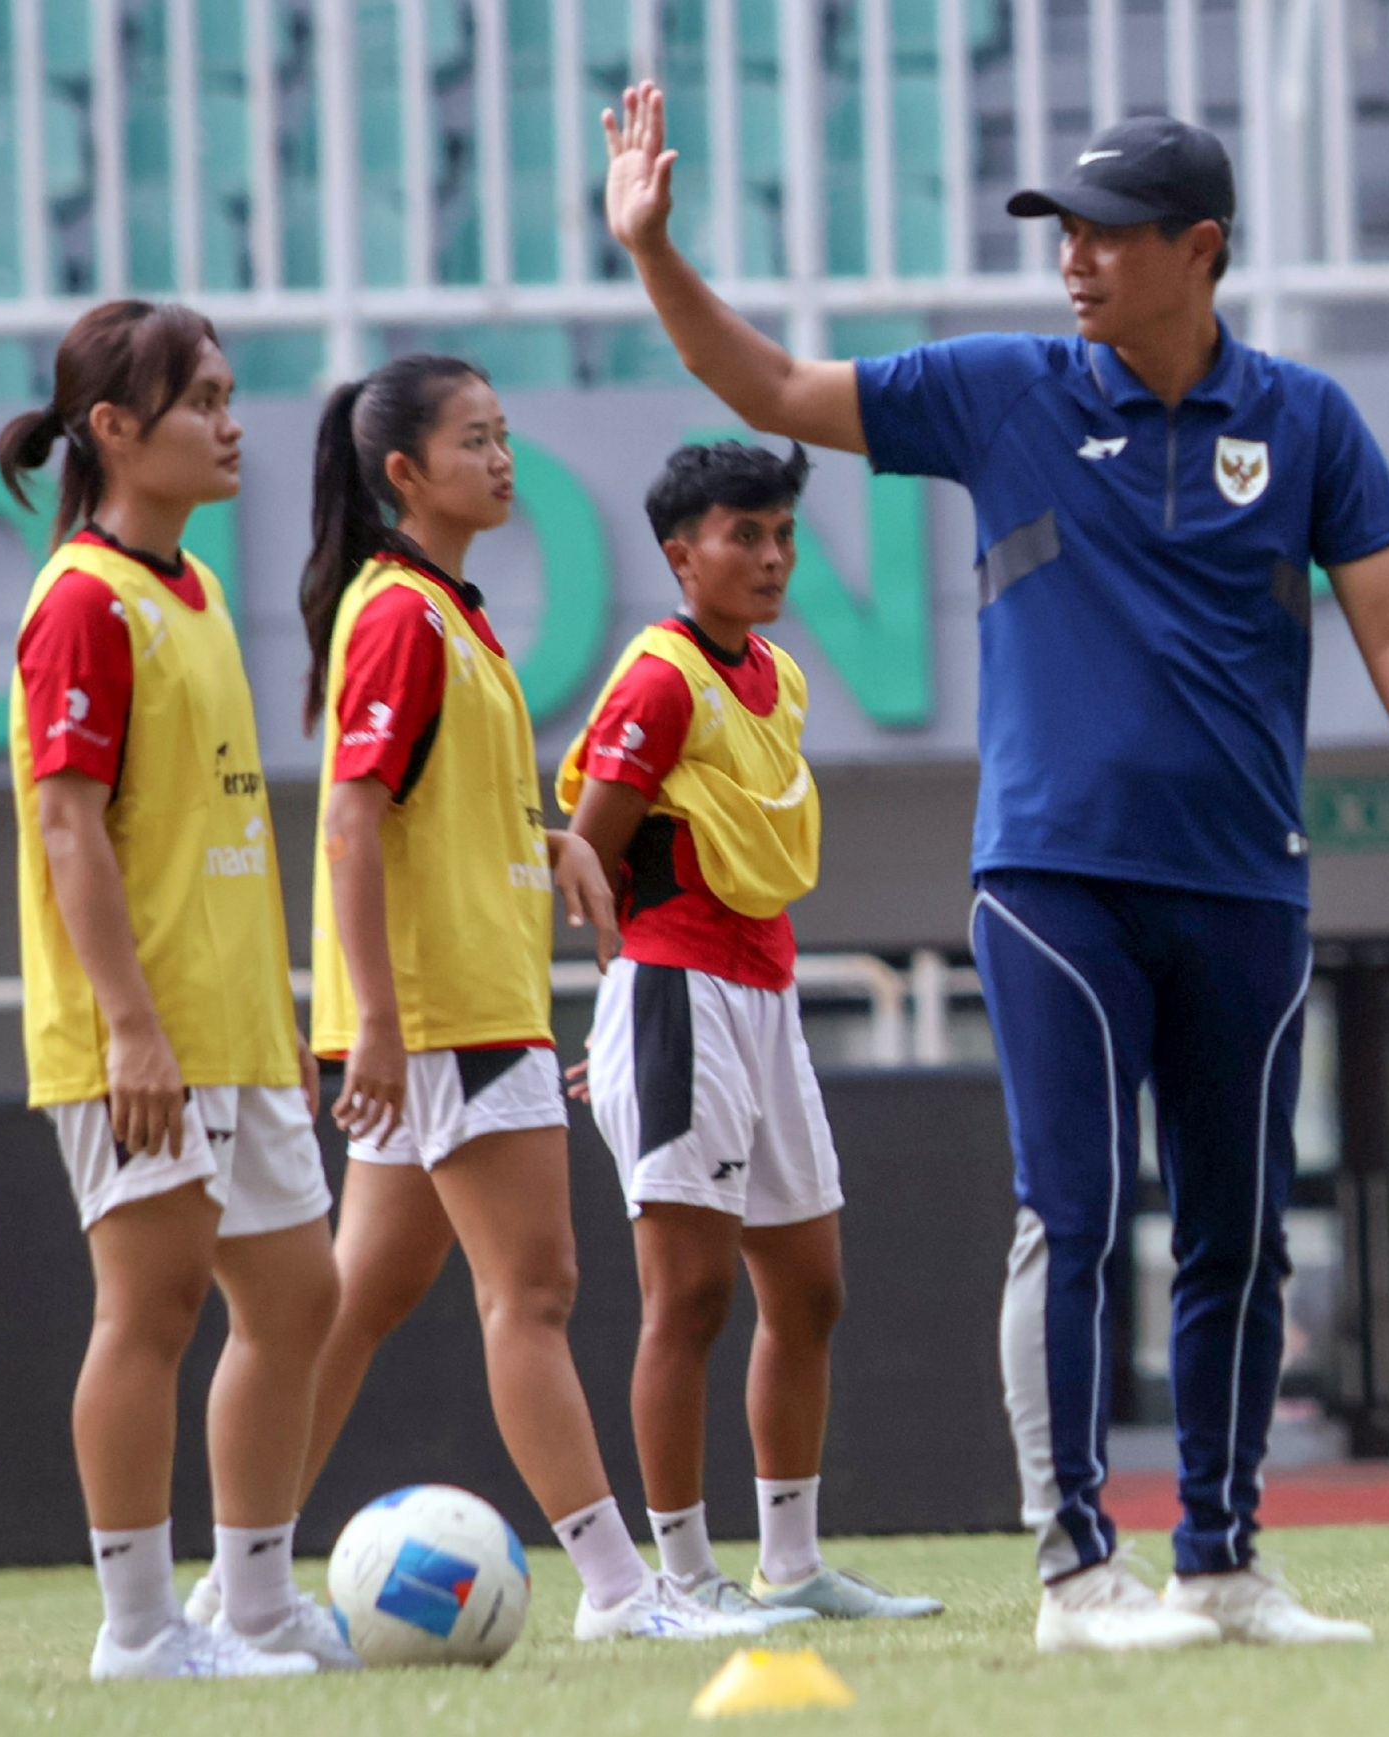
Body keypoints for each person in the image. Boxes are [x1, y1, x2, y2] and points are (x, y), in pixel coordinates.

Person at [600, 88, 1389, 1651]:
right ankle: (1079, 1572)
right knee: (1073, 1214)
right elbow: (753, 378)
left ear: (1199, 248)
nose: (1072, 260)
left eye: (1104, 234)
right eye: (1061, 233)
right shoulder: (997, 392)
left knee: (1236, 1228)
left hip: (1245, 879)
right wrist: (651, 248)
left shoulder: (1305, 419)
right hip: (1050, 878)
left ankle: (1221, 1563)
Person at [258, 353, 761, 1645]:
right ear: (404, 474)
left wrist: (551, 843)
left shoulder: (447, 612)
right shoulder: (402, 616)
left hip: (453, 1010)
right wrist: (370, 1019)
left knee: (356, 1299)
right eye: (474, 439)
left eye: (503, 433)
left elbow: (429, 815)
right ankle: (618, 1590)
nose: (502, 457)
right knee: (531, 1293)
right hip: (451, 1019)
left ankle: (237, 1586)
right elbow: (353, 822)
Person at [0, 299, 355, 1679]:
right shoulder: (82, 601)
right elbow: (67, 828)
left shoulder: (192, 590)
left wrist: (278, 1020)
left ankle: (253, 1603)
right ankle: (138, 1632)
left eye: (228, 392)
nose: (231, 421)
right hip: (136, 1034)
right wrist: (131, 1029)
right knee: (147, 1316)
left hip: (240, 1026)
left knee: (297, 1299)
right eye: (202, 398)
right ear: (113, 430)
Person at [558, 440, 944, 1626]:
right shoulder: (661, 678)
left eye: (781, 534)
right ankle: (681, 1578)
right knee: (690, 1302)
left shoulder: (776, 671)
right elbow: (588, 853)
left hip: (764, 999)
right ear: (681, 555)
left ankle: (792, 1562)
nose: (771, 557)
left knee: (810, 1290)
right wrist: (624, 1019)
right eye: (744, 535)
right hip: (681, 996)